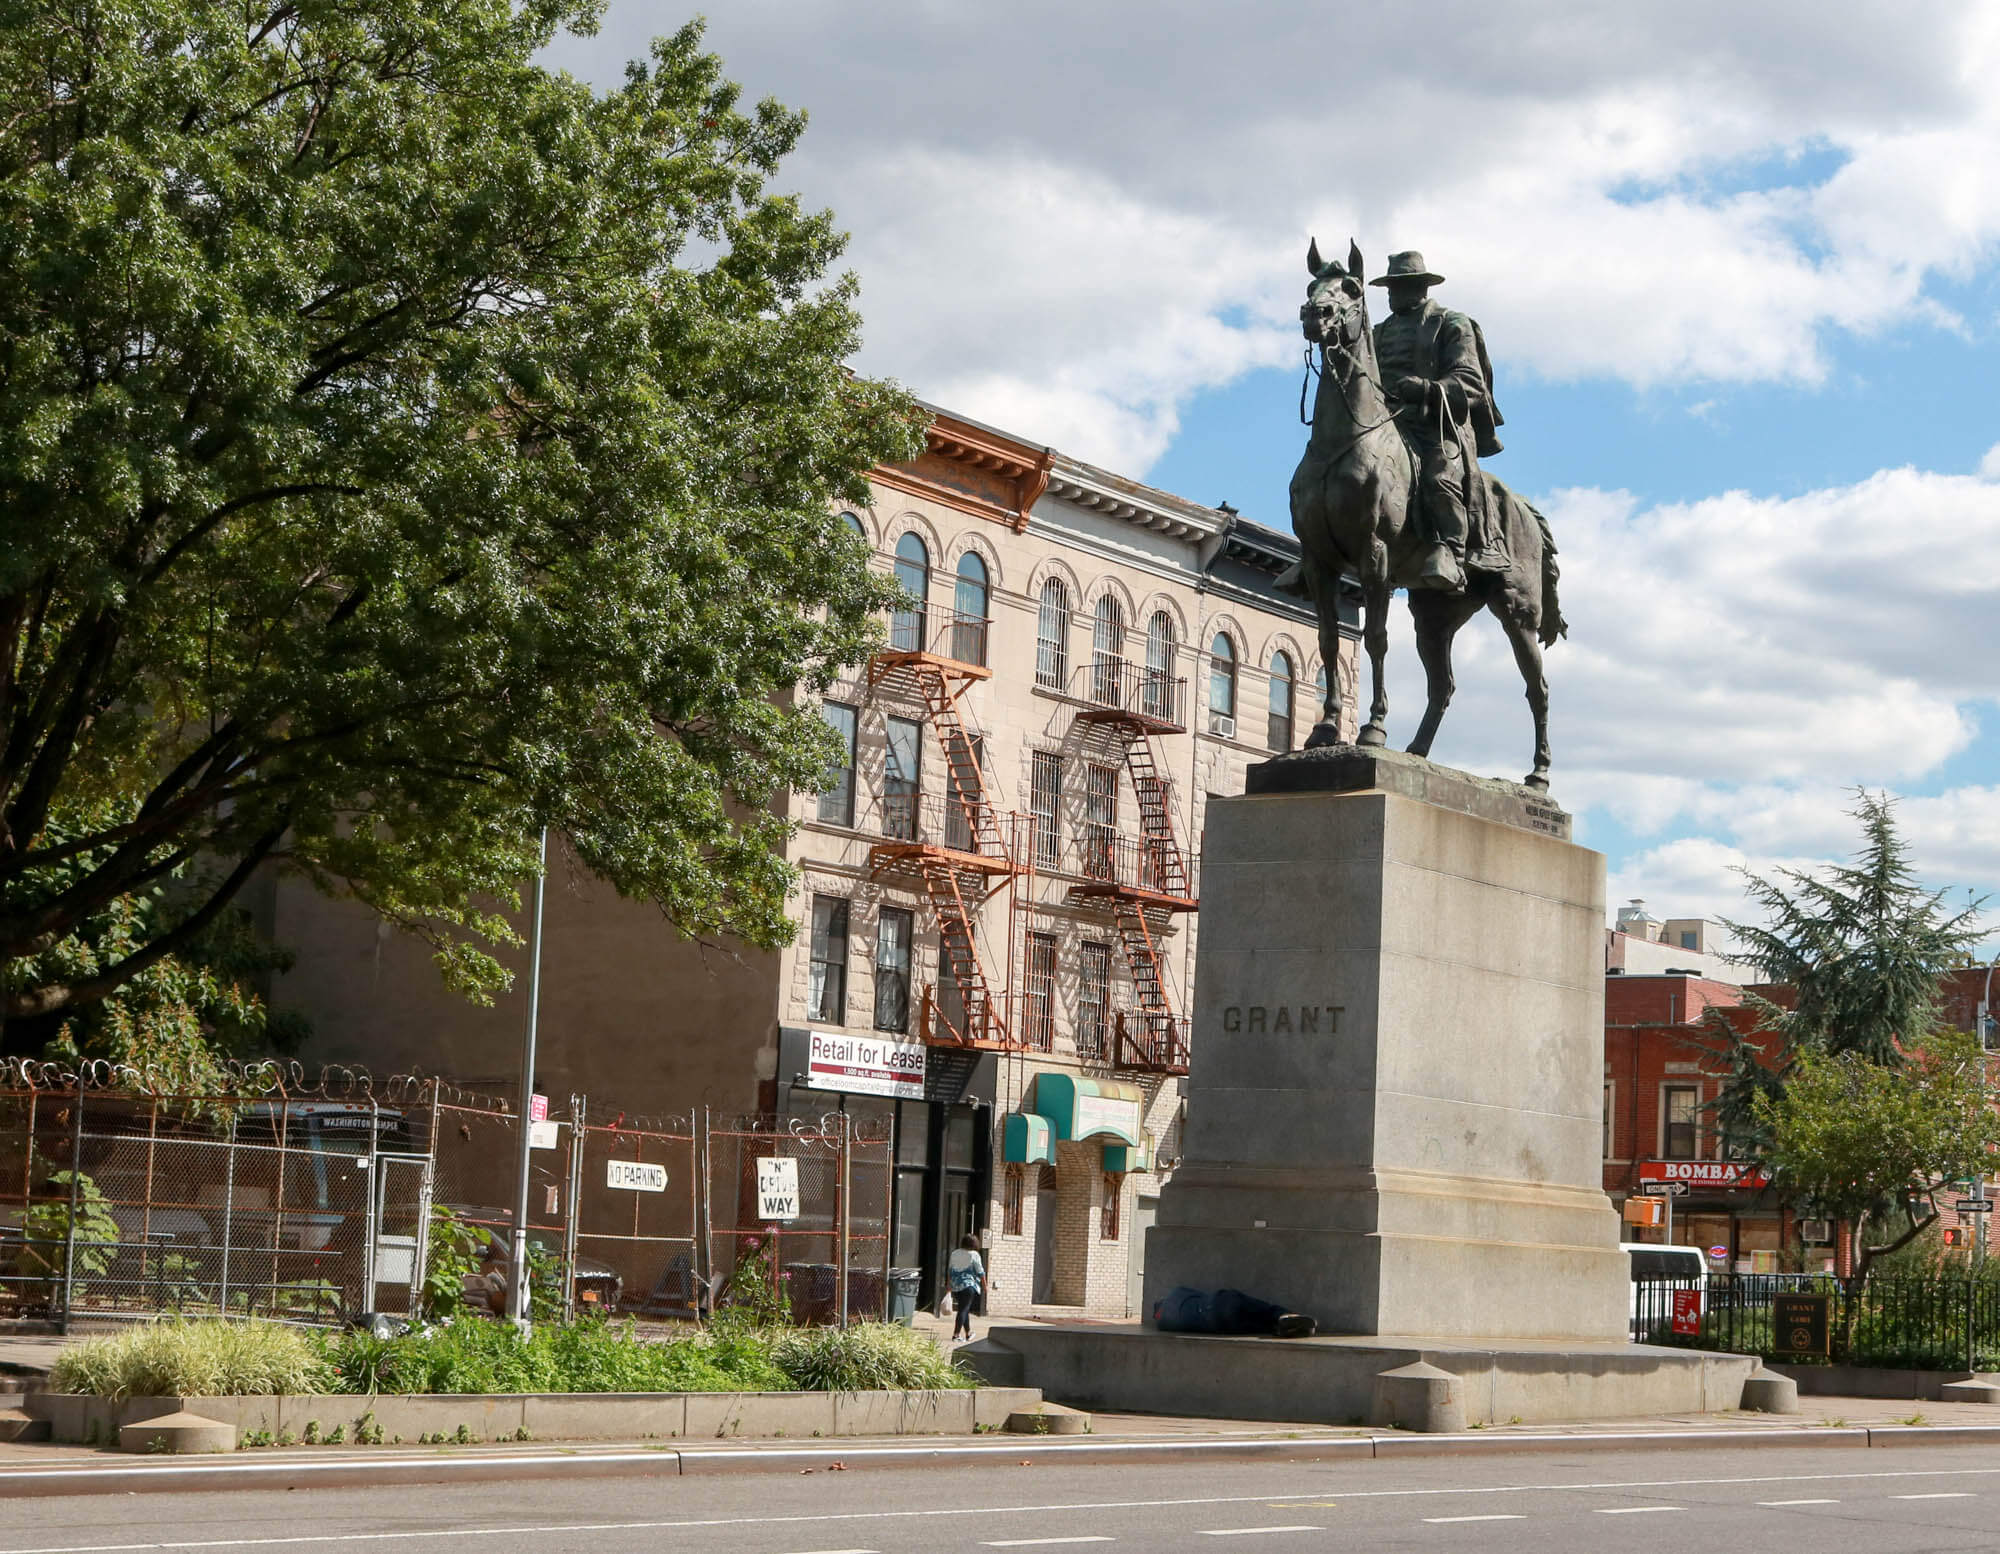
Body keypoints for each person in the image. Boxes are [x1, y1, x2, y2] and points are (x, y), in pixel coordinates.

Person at [1369, 251, 1508, 594]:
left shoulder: (1451, 324)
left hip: (1436, 423)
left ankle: (1451, 550)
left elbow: (1471, 380)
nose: (1393, 294)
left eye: (1400, 286)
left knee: (1438, 476)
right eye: (1390, 287)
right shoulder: (1376, 333)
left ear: (1420, 287)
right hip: (1384, 425)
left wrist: (1428, 389)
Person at [946, 1233, 986, 1342]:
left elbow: (950, 1270)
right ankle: (956, 1335)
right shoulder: (974, 1255)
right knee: (963, 1309)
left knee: (964, 1308)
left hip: (956, 1286)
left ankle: (968, 1333)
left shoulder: (955, 1253)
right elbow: (980, 1272)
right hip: (969, 1285)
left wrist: (948, 1284)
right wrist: (984, 1286)